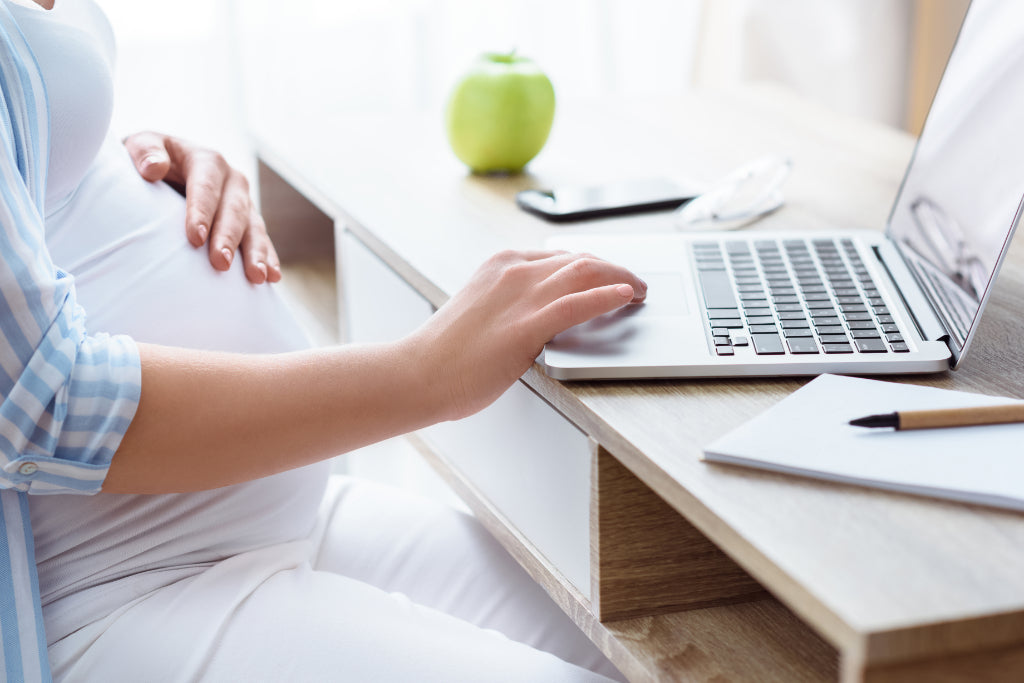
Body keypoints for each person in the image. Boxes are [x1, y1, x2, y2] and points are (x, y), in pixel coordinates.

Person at [0, 0, 646, 681]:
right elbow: (39, 403)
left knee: (632, 650)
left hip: (264, 511)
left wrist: (125, 161)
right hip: (123, 583)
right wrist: (426, 371)